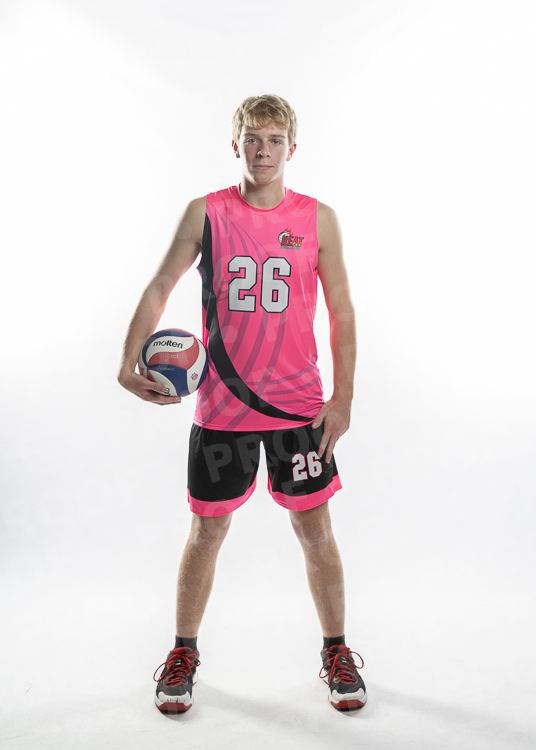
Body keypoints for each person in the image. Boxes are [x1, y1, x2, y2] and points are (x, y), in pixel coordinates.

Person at [117, 94, 367, 714]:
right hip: (222, 408)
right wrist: (126, 362)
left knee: (316, 530)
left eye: (274, 140)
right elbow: (159, 284)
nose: (262, 151)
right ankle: (183, 653)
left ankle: (336, 651)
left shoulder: (318, 218)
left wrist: (343, 397)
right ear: (236, 144)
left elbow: (341, 309)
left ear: (292, 147)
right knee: (207, 531)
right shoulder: (206, 213)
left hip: (299, 410)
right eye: (252, 139)